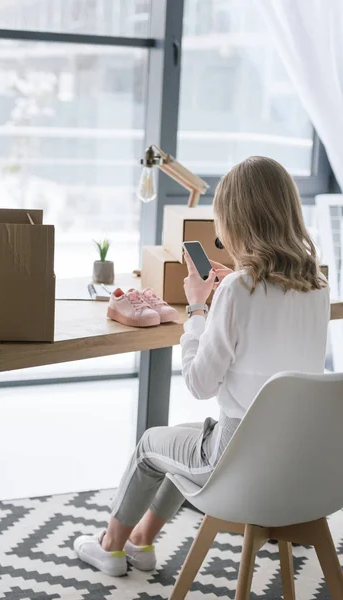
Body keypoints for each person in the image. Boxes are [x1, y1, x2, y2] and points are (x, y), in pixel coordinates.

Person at [73, 156, 330, 577]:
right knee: (188, 437)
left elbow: (199, 383)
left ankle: (110, 546)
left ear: (237, 221)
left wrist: (196, 306)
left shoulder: (236, 290)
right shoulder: (318, 286)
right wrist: (232, 290)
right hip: (300, 464)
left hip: (243, 467)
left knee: (150, 446)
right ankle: (141, 540)